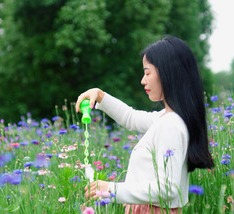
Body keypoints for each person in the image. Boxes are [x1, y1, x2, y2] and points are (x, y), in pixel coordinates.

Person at [76, 36, 214, 214]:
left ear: (168, 73)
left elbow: (168, 189)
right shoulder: (168, 118)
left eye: (147, 73)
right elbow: (130, 117)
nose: (143, 80)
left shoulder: (171, 124)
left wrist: (111, 189)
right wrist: (100, 95)